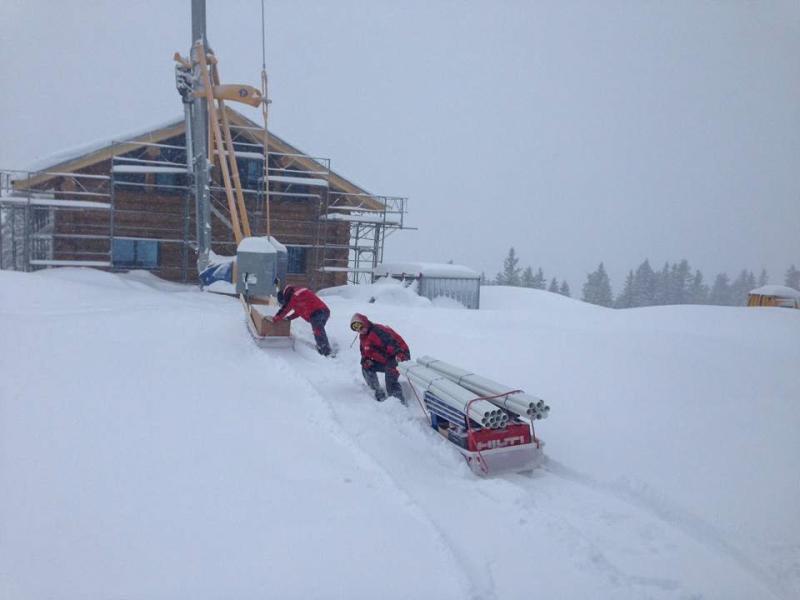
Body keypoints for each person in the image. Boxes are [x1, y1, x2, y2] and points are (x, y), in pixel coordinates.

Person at [350, 313, 410, 402]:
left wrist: (399, 356)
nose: (360, 330)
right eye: (356, 328)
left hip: (399, 356)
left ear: (364, 322)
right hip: (386, 358)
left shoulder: (378, 331)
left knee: (390, 376)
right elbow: (364, 352)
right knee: (366, 366)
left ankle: (399, 403)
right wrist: (366, 359)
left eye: (360, 325)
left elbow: (393, 343)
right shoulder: (363, 337)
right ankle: (378, 392)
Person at [273, 285, 332, 356]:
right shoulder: (297, 294)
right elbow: (299, 311)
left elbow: (284, 309)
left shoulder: (293, 296)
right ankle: (324, 347)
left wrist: (275, 319)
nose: (285, 303)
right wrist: (289, 318)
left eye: (284, 302)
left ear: (285, 297)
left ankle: (325, 351)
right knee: (319, 331)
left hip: (317, 313)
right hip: (323, 311)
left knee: (318, 331)